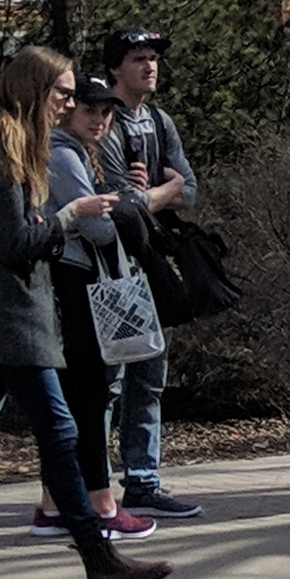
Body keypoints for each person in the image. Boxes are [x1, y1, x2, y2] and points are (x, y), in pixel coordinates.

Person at [0, 47, 174, 579]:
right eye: (63, 93)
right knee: (58, 433)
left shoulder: (0, 137)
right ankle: (97, 560)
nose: (71, 104)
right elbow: (14, 243)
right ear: (34, 89)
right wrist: (69, 219)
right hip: (9, 316)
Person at [29, 75, 160, 545]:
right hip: (77, 283)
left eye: (106, 111)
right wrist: (130, 205)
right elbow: (102, 230)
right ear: (66, 110)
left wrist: (121, 199)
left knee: (68, 399)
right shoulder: (63, 155)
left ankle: (53, 504)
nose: (100, 119)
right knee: (88, 395)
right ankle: (101, 505)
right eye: (88, 109)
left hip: (71, 283)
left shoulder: (80, 153)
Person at [96, 29, 202, 520]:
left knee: (151, 375)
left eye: (155, 58)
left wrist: (162, 191)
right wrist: (164, 189)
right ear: (116, 67)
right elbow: (124, 203)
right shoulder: (103, 120)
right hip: (114, 269)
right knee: (110, 380)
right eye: (139, 58)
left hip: (154, 264)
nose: (150, 66)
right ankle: (94, 486)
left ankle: (143, 479)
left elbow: (192, 190)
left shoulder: (159, 121)